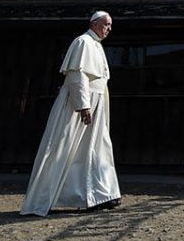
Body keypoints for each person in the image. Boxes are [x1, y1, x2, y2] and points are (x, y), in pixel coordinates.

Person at [20, 11, 121, 216]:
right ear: (94, 23)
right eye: (106, 24)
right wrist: (83, 105)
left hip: (98, 100)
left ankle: (101, 195)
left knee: (96, 148)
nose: (109, 28)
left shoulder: (96, 45)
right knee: (65, 147)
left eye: (110, 25)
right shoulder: (83, 42)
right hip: (82, 102)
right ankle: (45, 198)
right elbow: (77, 75)